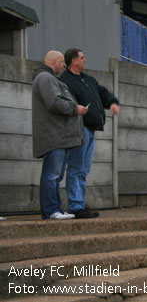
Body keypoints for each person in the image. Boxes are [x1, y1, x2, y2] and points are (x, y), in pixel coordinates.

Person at [60, 48, 120, 219]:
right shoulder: (66, 81)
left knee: (83, 169)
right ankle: (76, 205)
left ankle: (79, 203)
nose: (85, 60)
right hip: (78, 128)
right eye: (82, 57)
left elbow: (102, 92)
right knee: (76, 168)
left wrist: (112, 102)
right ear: (73, 61)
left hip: (91, 128)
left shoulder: (87, 79)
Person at [32, 51, 88, 220]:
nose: (64, 65)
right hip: (53, 135)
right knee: (52, 175)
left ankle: (54, 209)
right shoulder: (45, 78)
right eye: (62, 62)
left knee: (55, 175)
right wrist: (75, 108)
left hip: (58, 136)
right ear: (55, 61)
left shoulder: (50, 79)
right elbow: (54, 102)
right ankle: (51, 210)